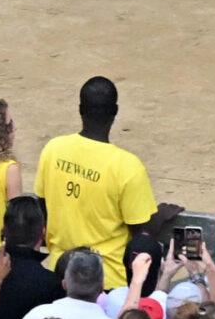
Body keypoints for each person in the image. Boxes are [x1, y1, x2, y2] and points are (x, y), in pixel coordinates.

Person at [33, 78, 156, 289]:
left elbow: (42, 208)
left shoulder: (53, 149)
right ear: (115, 111)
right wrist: (160, 218)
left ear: (80, 109)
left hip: (60, 272)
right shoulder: (127, 166)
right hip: (106, 281)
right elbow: (141, 232)